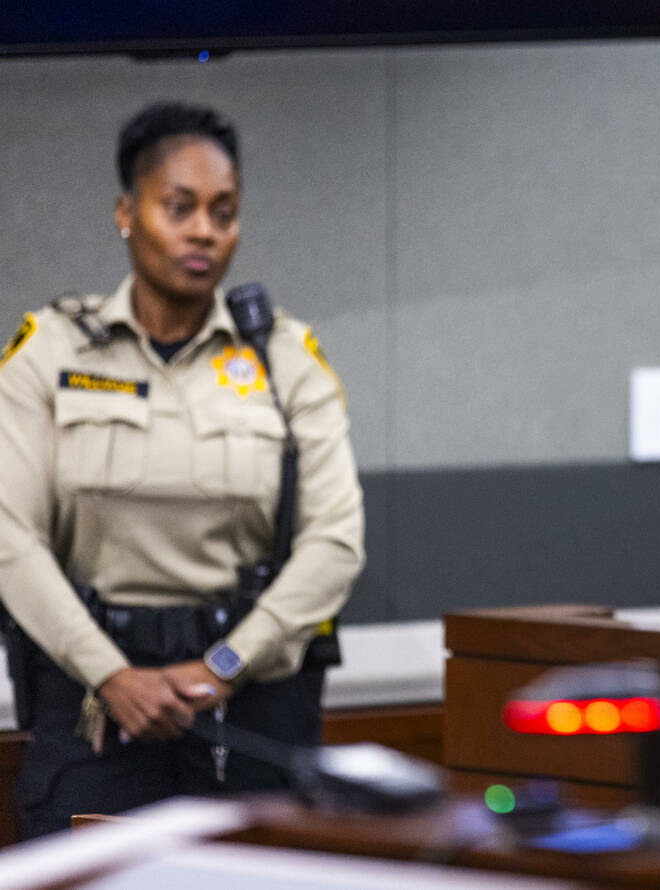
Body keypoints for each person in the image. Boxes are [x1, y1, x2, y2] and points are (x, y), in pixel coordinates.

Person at [0, 101, 364, 839]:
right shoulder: (52, 352)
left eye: (224, 212)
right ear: (126, 213)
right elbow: (9, 536)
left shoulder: (284, 358)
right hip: (97, 709)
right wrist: (112, 674)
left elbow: (336, 539)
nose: (205, 230)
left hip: (250, 699)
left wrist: (224, 665)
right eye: (180, 207)